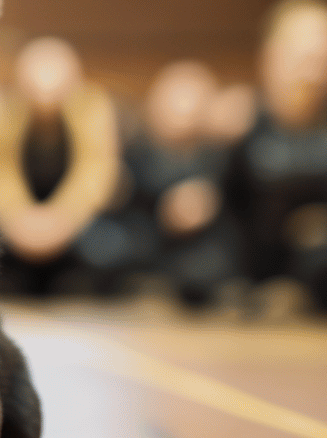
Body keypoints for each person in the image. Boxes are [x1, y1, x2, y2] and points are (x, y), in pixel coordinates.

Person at [223, 0, 327, 318]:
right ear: (271, 58)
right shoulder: (241, 130)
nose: (314, 73)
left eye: (325, 60)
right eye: (304, 58)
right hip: (259, 275)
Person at [86, 60, 242, 306]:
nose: (185, 111)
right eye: (176, 99)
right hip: (145, 235)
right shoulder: (136, 148)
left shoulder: (218, 154)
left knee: (209, 267)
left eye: (194, 100)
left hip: (199, 246)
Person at [0, 36, 121, 295]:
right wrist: (18, 220)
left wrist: (62, 222)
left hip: (74, 224)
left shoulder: (92, 107)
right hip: (18, 224)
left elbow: (95, 175)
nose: (45, 91)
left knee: (109, 250)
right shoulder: (1, 110)